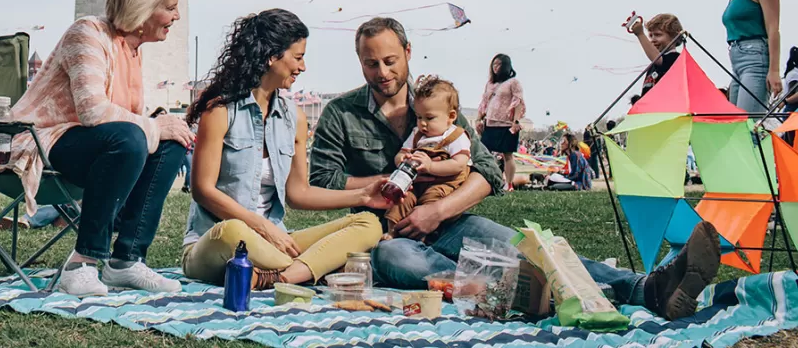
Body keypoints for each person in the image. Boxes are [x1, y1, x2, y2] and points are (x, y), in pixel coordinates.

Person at [308, 17, 722, 320]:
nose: (382, 72)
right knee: (406, 262)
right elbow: (323, 182)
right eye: (370, 64)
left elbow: (486, 171)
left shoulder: (439, 103)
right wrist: (375, 188)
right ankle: (539, 295)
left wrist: (438, 211)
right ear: (359, 61)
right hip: (384, 232)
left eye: (390, 60)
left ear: (408, 53)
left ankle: (647, 288)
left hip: (449, 218)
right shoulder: (341, 113)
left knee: (526, 246)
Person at [3, 0, 195, 297]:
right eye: (171, 7)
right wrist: (153, 125)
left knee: (171, 143)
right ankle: (83, 261)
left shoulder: (133, 50)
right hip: (43, 139)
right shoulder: (87, 32)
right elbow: (93, 111)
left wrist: (162, 129)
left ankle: (126, 260)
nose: (177, 16)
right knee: (134, 136)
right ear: (143, 6)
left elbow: (123, 120)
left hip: (94, 145)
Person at [182, 9, 386, 288]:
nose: (303, 67)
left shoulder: (295, 118)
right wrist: (262, 226)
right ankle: (312, 267)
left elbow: (298, 193)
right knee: (232, 231)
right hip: (217, 242)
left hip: (274, 244)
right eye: (298, 57)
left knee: (368, 224)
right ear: (271, 56)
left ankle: (279, 277)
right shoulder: (220, 111)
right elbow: (203, 191)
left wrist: (363, 196)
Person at [383, 76, 471, 241]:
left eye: (429, 118)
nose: (422, 123)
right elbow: (400, 154)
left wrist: (431, 166)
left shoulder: (456, 136)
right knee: (402, 199)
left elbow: (459, 165)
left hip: (443, 184)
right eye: (419, 117)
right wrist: (403, 159)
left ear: (451, 116)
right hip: (416, 183)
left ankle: (425, 235)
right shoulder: (418, 135)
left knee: (431, 202)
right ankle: (392, 230)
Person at [713, 0, 782, 114]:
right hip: (736, 60)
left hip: (755, 57)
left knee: (748, 123)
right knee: (736, 125)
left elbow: (773, 27)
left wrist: (774, 70)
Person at [476, 54, 524, 191]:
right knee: (484, 152)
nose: (496, 67)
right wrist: (479, 119)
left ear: (506, 66)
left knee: (507, 154)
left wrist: (516, 121)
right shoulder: (490, 84)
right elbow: (484, 103)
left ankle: (508, 184)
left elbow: (518, 102)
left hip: (506, 124)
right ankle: (484, 180)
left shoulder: (513, 82)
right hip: (490, 123)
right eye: (494, 64)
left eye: (499, 64)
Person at [627, 13, 685, 97]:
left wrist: (640, 34)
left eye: (658, 35)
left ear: (674, 37)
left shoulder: (675, 58)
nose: (653, 40)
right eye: (650, 35)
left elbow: (657, 58)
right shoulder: (652, 66)